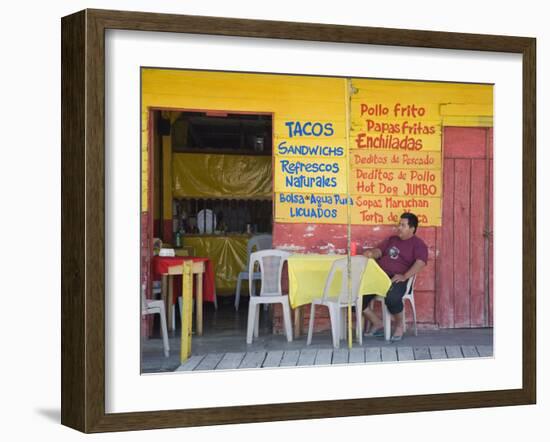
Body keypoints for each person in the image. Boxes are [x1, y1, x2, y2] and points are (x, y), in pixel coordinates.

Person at [363, 212, 428, 341]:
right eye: (399, 224)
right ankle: (377, 323)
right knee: (357, 296)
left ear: (412, 228)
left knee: (392, 299)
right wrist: (371, 253)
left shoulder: (418, 244)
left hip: (398, 278)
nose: (399, 227)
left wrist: (405, 276)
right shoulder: (392, 239)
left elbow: (420, 263)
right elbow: (379, 251)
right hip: (380, 276)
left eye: (403, 225)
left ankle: (399, 325)